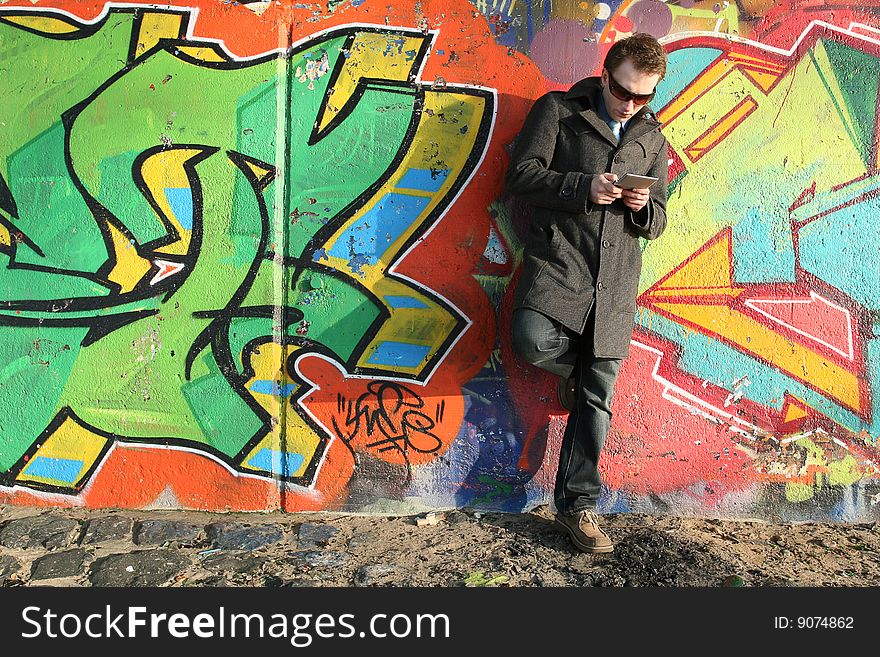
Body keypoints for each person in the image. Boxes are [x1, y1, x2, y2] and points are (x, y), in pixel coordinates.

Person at [506, 33, 668, 553]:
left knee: (597, 399)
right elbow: (522, 176)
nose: (632, 105)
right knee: (531, 339)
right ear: (605, 77)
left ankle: (579, 508)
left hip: (616, 282)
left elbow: (658, 219)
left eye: (645, 96)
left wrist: (642, 205)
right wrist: (581, 187)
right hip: (561, 266)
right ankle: (580, 378)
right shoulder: (558, 110)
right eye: (624, 92)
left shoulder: (652, 136)